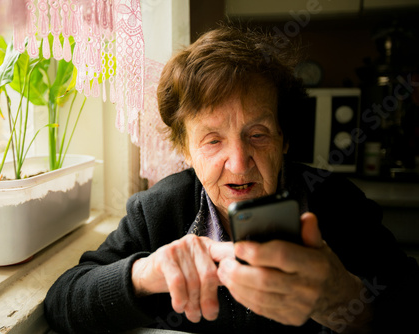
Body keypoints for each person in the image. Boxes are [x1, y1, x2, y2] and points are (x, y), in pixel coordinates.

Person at [44, 25, 419, 333]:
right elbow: (63, 302)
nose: (239, 164)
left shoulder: (339, 204)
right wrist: (142, 274)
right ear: (185, 150)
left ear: (284, 139)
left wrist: (344, 302)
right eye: (212, 140)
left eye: (258, 135)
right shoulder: (156, 211)